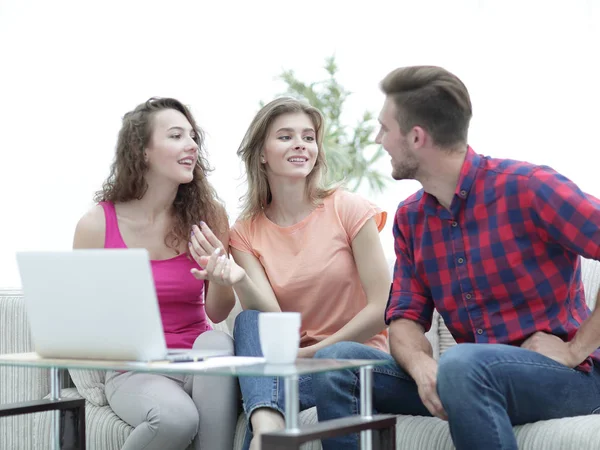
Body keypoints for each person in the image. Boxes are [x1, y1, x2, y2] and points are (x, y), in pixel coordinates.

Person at [312, 65, 600, 450]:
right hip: (462, 381)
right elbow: (404, 321)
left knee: (462, 364)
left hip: (562, 380)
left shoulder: (529, 188)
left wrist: (575, 349)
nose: (378, 139)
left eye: (385, 128)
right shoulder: (411, 218)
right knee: (338, 365)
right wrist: (421, 366)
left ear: (416, 137)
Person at [190, 97, 391, 450]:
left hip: (350, 362)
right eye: (285, 136)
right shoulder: (246, 231)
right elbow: (271, 319)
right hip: (289, 366)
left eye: (308, 137)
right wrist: (238, 280)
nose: (301, 144)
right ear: (262, 154)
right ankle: (267, 427)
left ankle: (264, 425)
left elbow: (383, 307)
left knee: (260, 394)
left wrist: (312, 355)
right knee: (248, 321)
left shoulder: (348, 209)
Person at [72, 97, 239, 450]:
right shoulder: (97, 225)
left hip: (199, 360)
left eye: (193, 137)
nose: (191, 145)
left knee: (219, 342)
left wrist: (220, 275)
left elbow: (217, 312)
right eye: (176, 136)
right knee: (178, 418)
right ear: (143, 152)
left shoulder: (210, 216)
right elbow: (81, 317)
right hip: (136, 370)